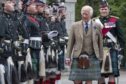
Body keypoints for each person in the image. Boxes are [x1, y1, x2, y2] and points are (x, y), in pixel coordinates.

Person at [66, 5, 103, 84]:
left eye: (86, 14)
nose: (84, 15)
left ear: (91, 14)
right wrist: (68, 57)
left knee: (89, 79)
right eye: (83, 13)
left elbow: (100, 43)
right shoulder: (75, 25)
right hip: (78, 55)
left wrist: (100, 57)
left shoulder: (97, 26)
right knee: (76, 80)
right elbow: (70, 42)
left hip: (92, 55)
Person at [96, 1, 125, 84]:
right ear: (99, 10)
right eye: (102, 9)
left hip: (112, 49)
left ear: (108, 9)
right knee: (99, 75)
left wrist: (121, 52)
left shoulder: (114, 20)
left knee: (112, 74)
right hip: (99, 50)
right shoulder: (95, 21)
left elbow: (121, 37)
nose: (104, 10)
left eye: (105, 9)